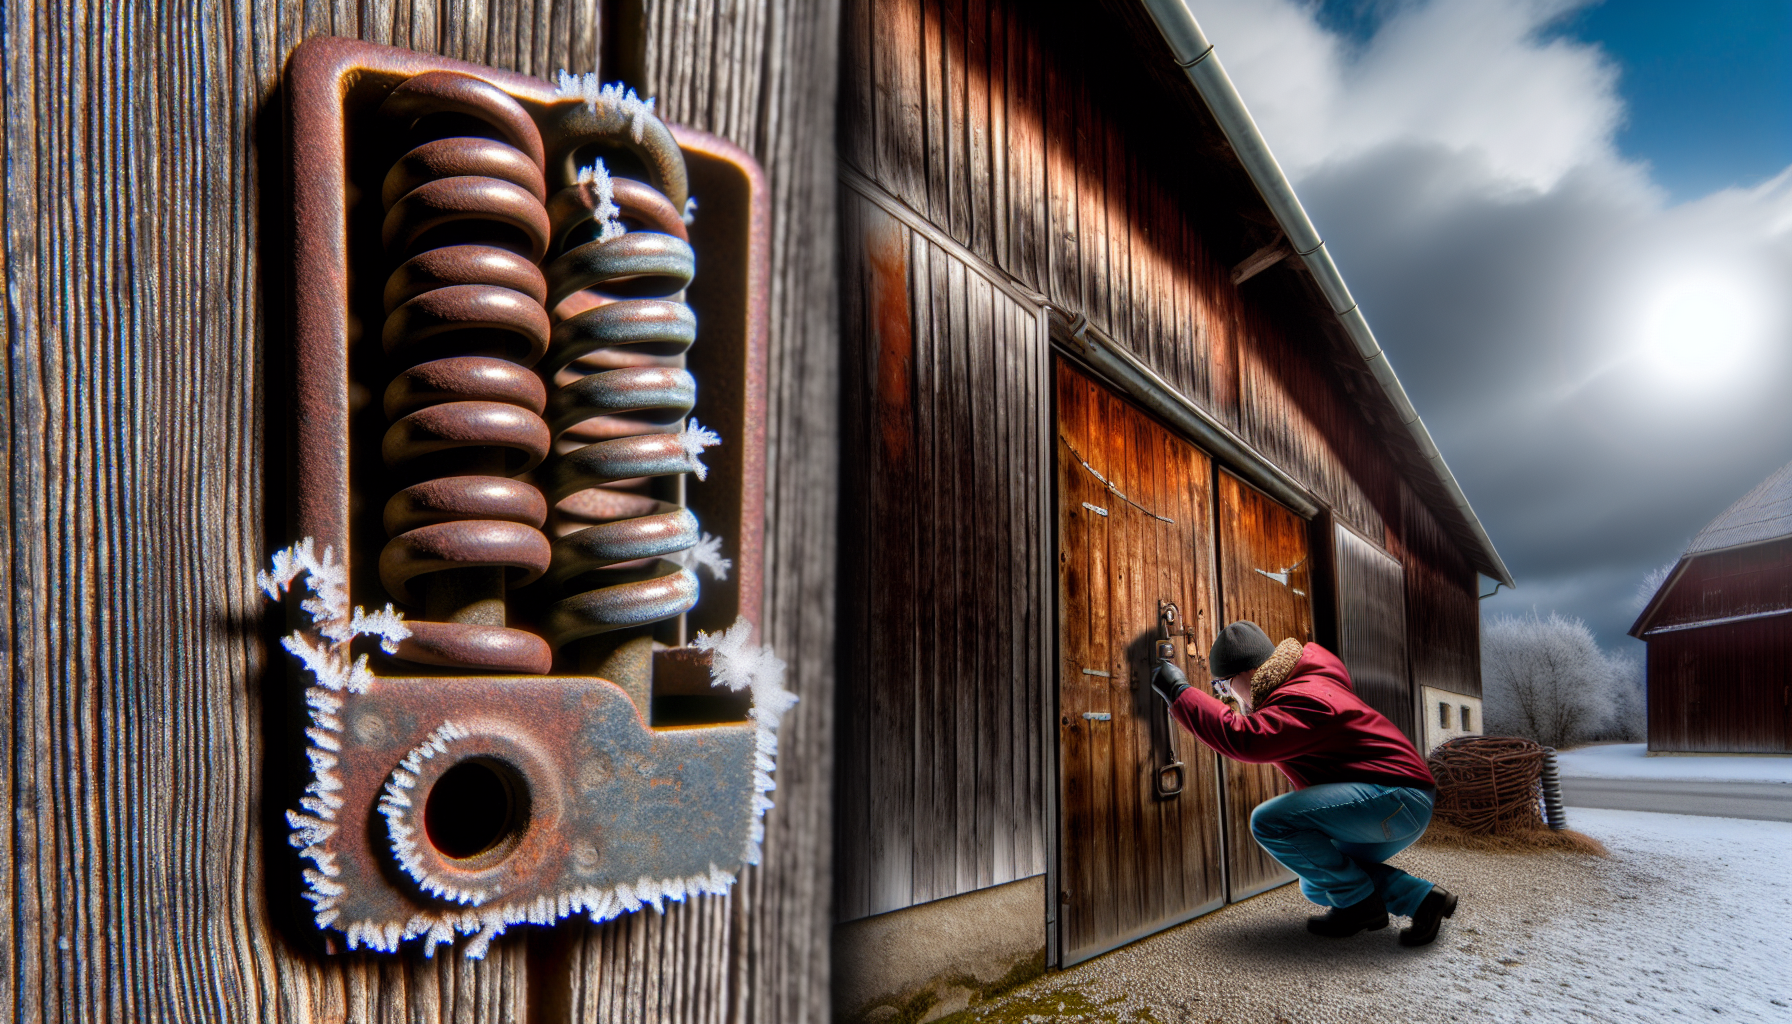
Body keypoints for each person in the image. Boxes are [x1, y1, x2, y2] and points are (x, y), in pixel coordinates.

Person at [1151, 620, 1457, 946]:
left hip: (1398, 798)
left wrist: (1180, 692)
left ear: (1247, 674)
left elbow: (1246, 740)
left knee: (1269, 822)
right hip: (1391, 800)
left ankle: (1360, 906)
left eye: (1224, 687)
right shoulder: (1298, 689)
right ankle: (1424, 900)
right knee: (1317, 880)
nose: (1227, 697)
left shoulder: (1305, 697)